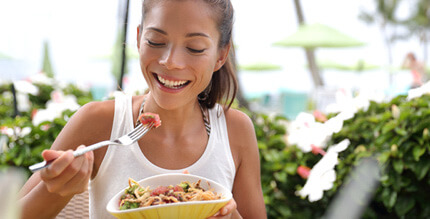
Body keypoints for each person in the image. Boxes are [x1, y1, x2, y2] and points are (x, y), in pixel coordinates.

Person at [18, 0, 267, 218]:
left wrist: (228, 214)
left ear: (221, 55)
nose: (170, 61)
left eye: (194, 48)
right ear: (138, 39)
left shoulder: (236, 130)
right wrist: (55, 190)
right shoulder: (98, 122)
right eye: (156, 41)